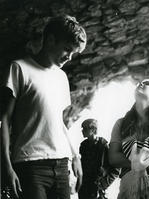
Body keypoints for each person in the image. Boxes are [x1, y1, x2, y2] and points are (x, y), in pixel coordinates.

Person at [1, 15, 87, 199]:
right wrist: (6, 166)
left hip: (61, 165)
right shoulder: (19, 68)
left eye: (73, 53)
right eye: (67, 49)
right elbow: (4, 120)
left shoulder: (62, 77)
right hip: (30, 164)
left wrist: (75, 156)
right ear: (50, 40)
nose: (69, 57)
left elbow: (58, 122)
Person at [109, 79, 149, 199]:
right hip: (129, 180)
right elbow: (113, 157)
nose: (141, 83)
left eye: (148, 84)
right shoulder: (121, 123)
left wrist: (134, 157)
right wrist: (140, 161)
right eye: (140, 82)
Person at [78, 119, 120, 199]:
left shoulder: (104, 146)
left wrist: (103, 185)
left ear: (93, 130)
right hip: (85, 189)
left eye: (85, 128)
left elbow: (116, 169)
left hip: (98, 190)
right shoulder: (83, 146)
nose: (82, 131)